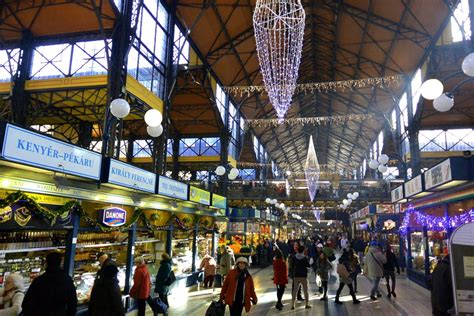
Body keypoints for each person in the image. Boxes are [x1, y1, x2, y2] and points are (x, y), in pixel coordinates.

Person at [291, 245, 311, 310]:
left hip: (296, 275)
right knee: (305, 290)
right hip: (303, 276)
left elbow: (292, 265)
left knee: (295, 290)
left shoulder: (294, 257)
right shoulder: (305, 258)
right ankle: (307, 304)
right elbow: (308, 265)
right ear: (303, 251)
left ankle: (293, 305)